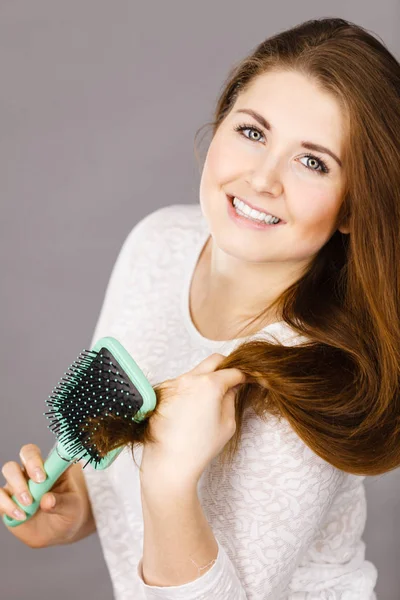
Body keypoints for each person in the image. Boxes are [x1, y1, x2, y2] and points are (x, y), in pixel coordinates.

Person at [3, 15, 400, 598]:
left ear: (350, 211)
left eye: (312, 161)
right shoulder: (158, 243)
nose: (263, 178)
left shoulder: (321, 382)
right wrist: (77, 507)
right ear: (218, 127)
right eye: (253, 132)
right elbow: (111, 457)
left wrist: (169, 484)